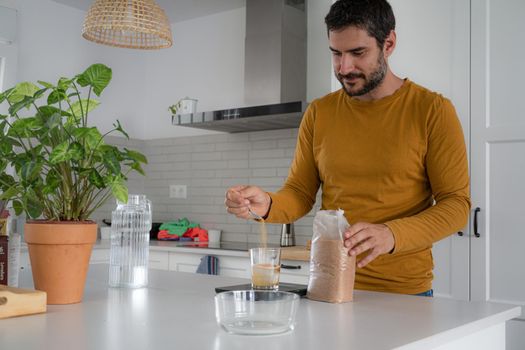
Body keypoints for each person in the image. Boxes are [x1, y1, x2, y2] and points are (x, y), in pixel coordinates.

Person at [224, 0, 470, 296]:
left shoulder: (432, 110)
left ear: (388, 43)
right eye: (336, 53)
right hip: (328, 284)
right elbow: (300, 194)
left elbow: (456, 205)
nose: (344, 67)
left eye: (358, 53)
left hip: (403, 292)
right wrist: (268, 205)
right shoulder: (319, 112)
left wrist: (391, 234)